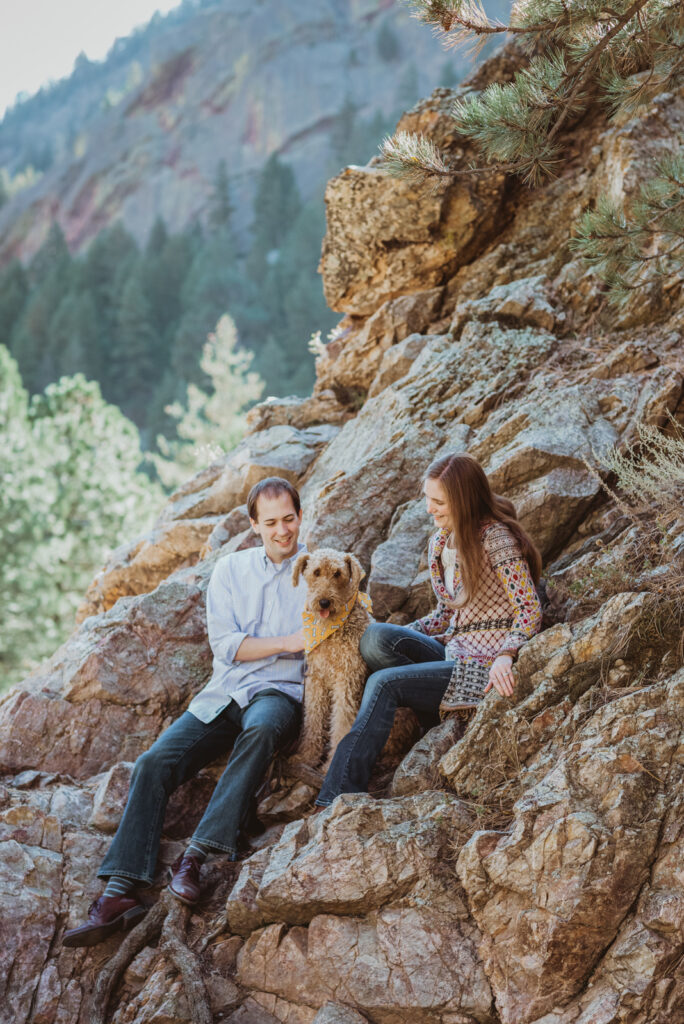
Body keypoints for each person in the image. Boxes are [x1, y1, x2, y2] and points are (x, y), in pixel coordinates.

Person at [63, 476, 307, 947]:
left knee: (259, 733)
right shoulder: (232, 570)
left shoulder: (316, 569)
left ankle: (195, 856)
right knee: (154, 763)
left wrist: (286, 655)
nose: (283, 531)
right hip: (225, 693)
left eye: (290, 519)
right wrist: (288, 642)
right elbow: (227, 645)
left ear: (301, 516)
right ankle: (119, 893)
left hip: (277, 694)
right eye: (272, 522)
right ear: (254, 525)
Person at [316, 452, 542, 808]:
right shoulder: (441, 543)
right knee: (374, 637)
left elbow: (528, 608)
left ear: (463, 501)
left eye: (438, 502)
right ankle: (428, 713)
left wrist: (506, 654)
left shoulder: (496, 539)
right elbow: (444, 615)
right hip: (452, 655)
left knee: (383, 683)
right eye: (427, 499)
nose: (429, 509)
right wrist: (406, 632)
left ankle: (335, 796)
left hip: (482, 670)